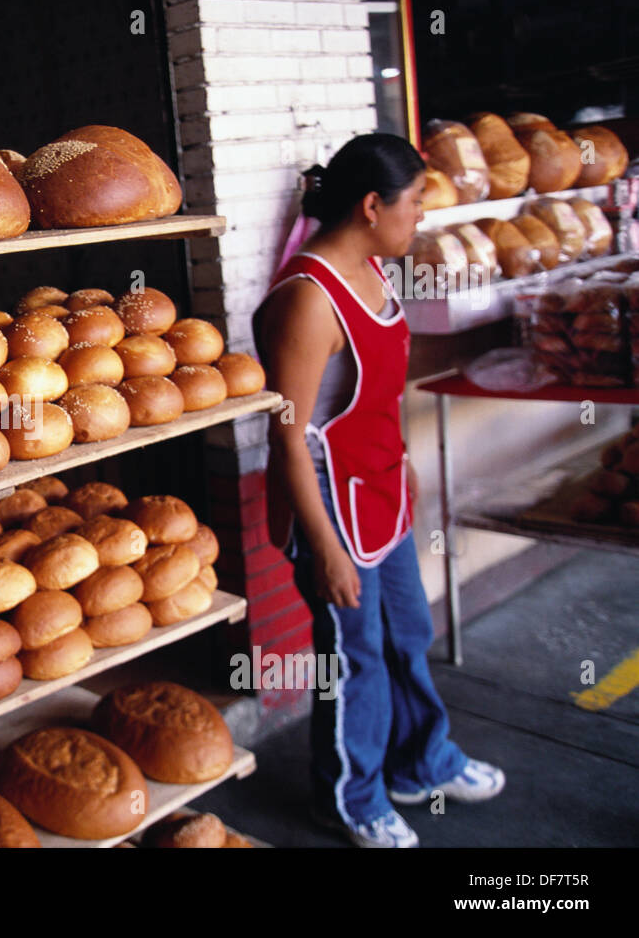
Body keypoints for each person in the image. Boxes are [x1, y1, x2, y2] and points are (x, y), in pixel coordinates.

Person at [253, 133, 505, 848]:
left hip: (382, 490)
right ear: (372, 205)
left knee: (408, 634)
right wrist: (326, 548)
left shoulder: (374, 270)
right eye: (416, 202)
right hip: (330, 504)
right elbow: (291, 436)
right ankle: (348, 798)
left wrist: (402, 464)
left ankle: (421, 760)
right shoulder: (307, 299)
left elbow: (373, 398)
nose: (421, 216)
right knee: (354, 653)